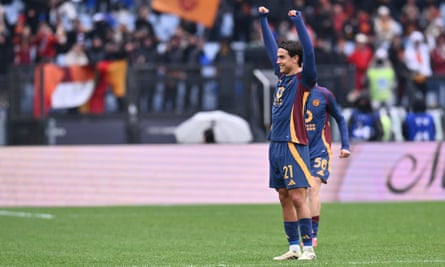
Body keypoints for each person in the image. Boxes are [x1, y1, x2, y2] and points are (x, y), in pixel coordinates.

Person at [258, 6, 316, 261]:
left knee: (297, 196)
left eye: (283, 58)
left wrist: (299, 21)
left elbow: (310, 51)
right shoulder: (281, 78)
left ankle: (309, 249)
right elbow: (270, 48)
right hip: (276, 144)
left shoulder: (305, 79)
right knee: (283, 196)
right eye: (278, 58)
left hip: (294, 143)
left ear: (295, 59)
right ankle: (293, 247)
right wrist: (263, 19)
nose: (278, 61)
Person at [305, 84, 351, 247]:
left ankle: (312, 234)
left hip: (320, 150)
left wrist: (345, 145)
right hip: (298, 150)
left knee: (312, 187)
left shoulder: (323, 94)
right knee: (297, 193)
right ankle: (301, 234)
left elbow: (339, 117)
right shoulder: (291, 92)